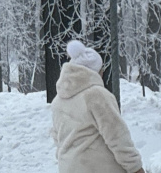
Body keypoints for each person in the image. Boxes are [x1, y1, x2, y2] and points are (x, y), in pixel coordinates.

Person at [51, 40, 144, 173]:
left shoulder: (58, 101)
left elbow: (57, 138)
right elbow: (117, 136)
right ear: (93, 71)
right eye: (101, 69)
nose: (102, 73)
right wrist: (135, 167)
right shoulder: (97, 95)